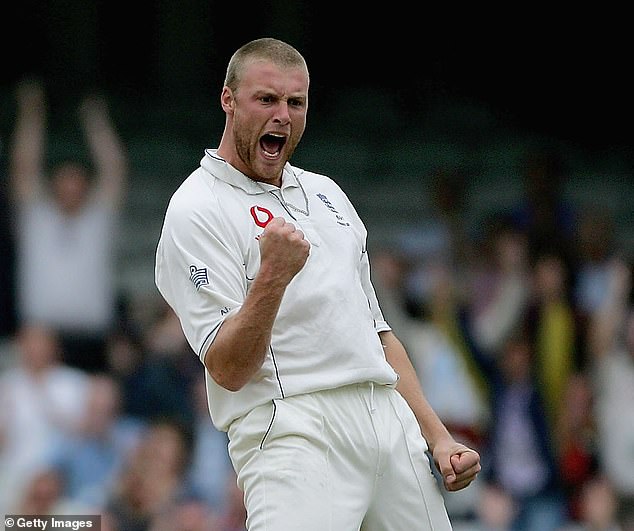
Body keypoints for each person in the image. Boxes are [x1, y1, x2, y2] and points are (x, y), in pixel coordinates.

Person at [155, 37, 480, 530]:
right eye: (266, 99)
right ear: (228, 100)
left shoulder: (327, 193)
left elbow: (377, 334)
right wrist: (273, 277)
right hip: (292, 429)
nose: (282, 115)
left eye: (295, 102)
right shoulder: (196, 208)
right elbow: (227, 367)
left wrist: (437, 436)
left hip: (388, 424)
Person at [9, 78, 127, 373]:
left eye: (78, 183)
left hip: (91, 339)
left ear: (86, 187)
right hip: (41, 337)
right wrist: (31, 113)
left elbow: (114, 170)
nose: (71, 190)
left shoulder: (97, 220)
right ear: (53, 186)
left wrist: (96, 121)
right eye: (64, 182)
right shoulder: (38, 218)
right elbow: (24, 166)